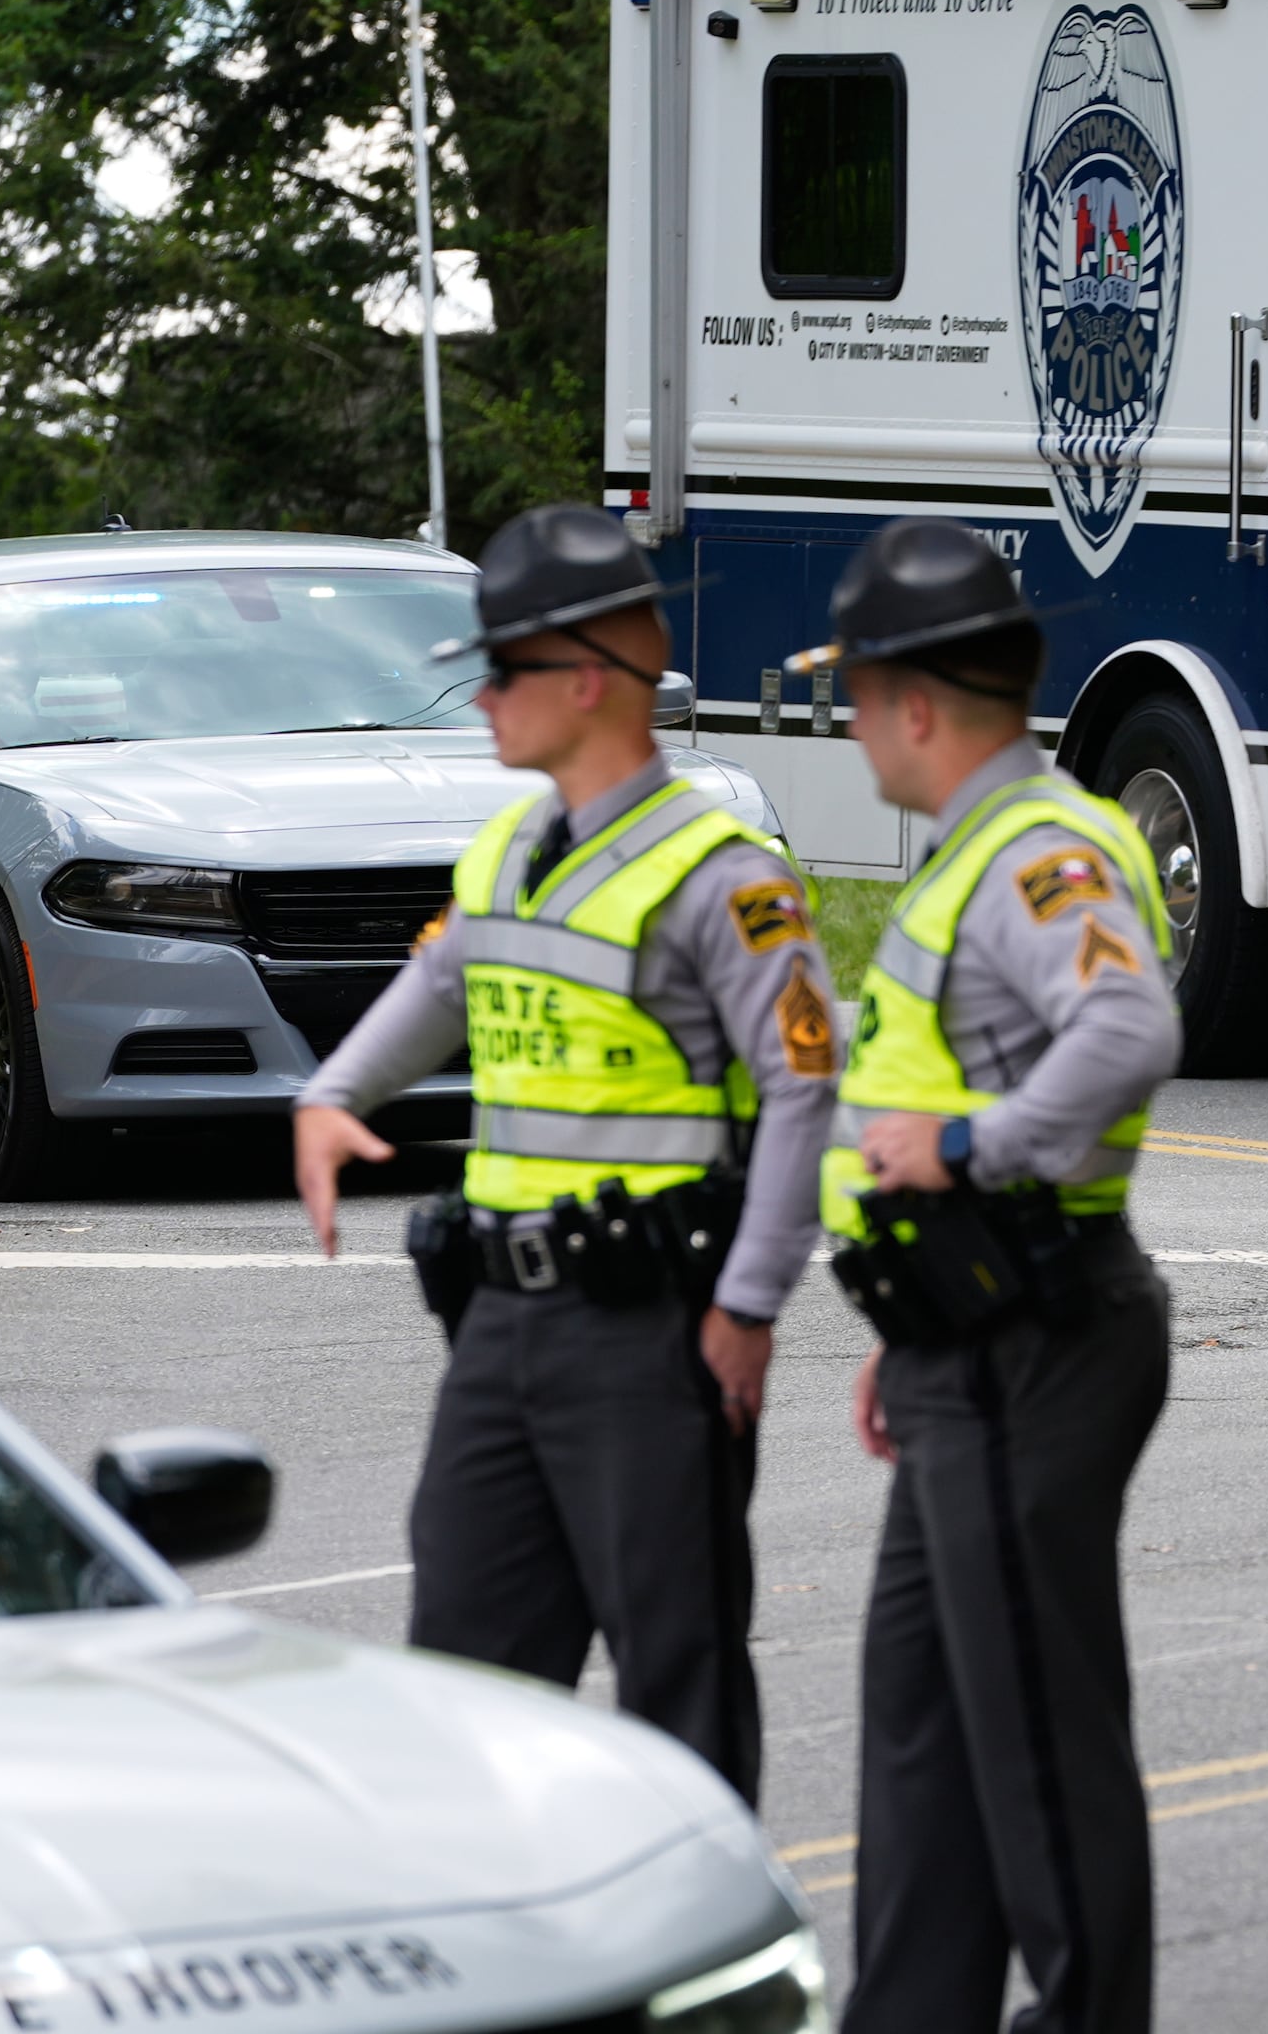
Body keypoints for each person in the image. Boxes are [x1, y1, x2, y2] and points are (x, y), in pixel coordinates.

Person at [290, 502, 837, 1801]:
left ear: (588, 679)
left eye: (502, 672)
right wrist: (331, 1094)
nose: (479, 700)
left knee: (675, 1675)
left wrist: (750, 1307)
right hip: (499, 1330)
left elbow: (805, 1090)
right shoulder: (510, 849)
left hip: (653, 1330)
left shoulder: (720, 874)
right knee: (466, 1670)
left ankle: (698, 1978)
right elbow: (439, 984)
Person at [803, 518, 1183, 2034]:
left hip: (1038, 1336)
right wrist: (909, 1331)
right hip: (967, 1338)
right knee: (927, 1731)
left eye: (855, 692)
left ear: (912, 702)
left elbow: (1129, 1028)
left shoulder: (1040, 851)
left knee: (1031, 1738)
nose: (847, 725)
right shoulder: (984, 851)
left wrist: (966, 1149)